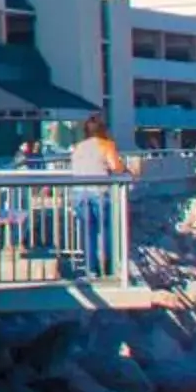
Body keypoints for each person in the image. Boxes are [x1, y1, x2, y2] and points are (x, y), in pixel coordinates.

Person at [66, 115, 130, 275]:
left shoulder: (78, 147)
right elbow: (117, 168)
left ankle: (91, 268)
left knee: (88, 231)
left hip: (79, 193)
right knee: (106, 229)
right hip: (99, 192)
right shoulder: (107, 145)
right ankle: (108, 266)